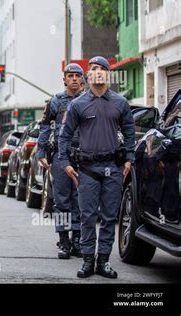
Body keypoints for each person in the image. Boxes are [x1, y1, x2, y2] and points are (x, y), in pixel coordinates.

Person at [58, 56, 135, 279]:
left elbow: (130, 132)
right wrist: (65, 163)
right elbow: (65, 136)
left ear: (108, 74)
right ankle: (88, 261)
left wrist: (129, 159)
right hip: (88, 169)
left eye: (102, 68)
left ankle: (104, 261)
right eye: (93, 69)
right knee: (88, 217)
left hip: (113, 167)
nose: (98, 71)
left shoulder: (120, 103)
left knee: (110, 217)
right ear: (87, 76)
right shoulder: (77, 104)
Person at [37, 63, 85, 259]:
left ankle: (78, 241)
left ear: (82, 79)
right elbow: (45, 127)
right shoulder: (55, 101)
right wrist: (41, 151)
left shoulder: (90, 100)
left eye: (77, 75)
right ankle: (64, 241)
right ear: (64, 79)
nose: (74, 78)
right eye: (70, 75)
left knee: (81, 200)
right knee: (62, 200)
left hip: (84, 156)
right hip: (60, 156)